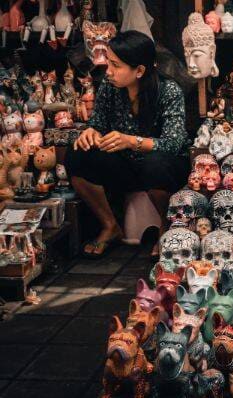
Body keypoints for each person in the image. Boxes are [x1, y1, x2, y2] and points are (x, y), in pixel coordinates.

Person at [65, 30, 189, 258]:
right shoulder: (109, 87)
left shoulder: (168, 91)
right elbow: (98, 124)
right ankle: (110, 225)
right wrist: (90, 132)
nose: (109, 71)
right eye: (109, 63)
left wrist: (131, 141)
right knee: (76, 154)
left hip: (164, 171)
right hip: (126, 167)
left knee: (155, 163)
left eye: (116, 65)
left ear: (139, 70)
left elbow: (174, 144)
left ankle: (166, 226)